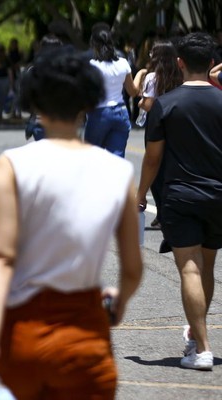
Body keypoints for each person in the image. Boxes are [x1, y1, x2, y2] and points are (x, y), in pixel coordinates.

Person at [0, 50, 143, 398]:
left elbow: (1, 257)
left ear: (36, 104)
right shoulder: (118, 171)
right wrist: (119, 302)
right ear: (87, 104)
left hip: (24, 335)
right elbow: (132, 266)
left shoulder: (14, 164)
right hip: (87, 340)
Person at [137, 32, 222, 371]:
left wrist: (140, 192)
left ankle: (201, 348)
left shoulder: (166, 104)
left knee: (189, 267)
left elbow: (152, 158)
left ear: (180, 62)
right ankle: (195, 334)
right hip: (218, 197)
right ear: (211, 62)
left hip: (181, 196)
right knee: (208, 267)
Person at [136, 40, 183, 230]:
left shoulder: (152, 77)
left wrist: (140, 103)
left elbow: (148, 105)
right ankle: (169, 213)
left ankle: (163, 214)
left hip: (156, 125)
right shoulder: (180, 76)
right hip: (177, 123)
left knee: (154, 169)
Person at [84, 29, 141, 158]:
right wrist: (141, 74)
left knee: (91, 157)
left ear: (94, 45)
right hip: (120, 112)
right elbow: (132, 91)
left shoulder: (92, 66)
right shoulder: (123, 63)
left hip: (99, 113)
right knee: (117, 159)